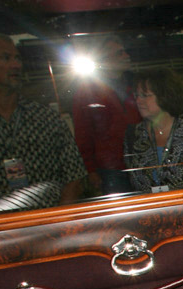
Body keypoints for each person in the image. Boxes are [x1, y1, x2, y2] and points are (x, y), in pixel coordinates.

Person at [0, 33, 86, 207]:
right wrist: (0, 222)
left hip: (51, 221)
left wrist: (57, 222)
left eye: (17, 58)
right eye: (5, 58)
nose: (16, 65)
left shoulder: (45, 118)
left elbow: (74, 176)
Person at [71, 37, 140, 195]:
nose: (126, 56)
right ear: (105, 59)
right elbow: (83, 133)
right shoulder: (87, 92)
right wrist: (91, 170)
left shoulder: (135, 85)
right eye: (119, 53)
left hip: (140, 163)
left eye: (124, 51)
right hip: (110, 170)